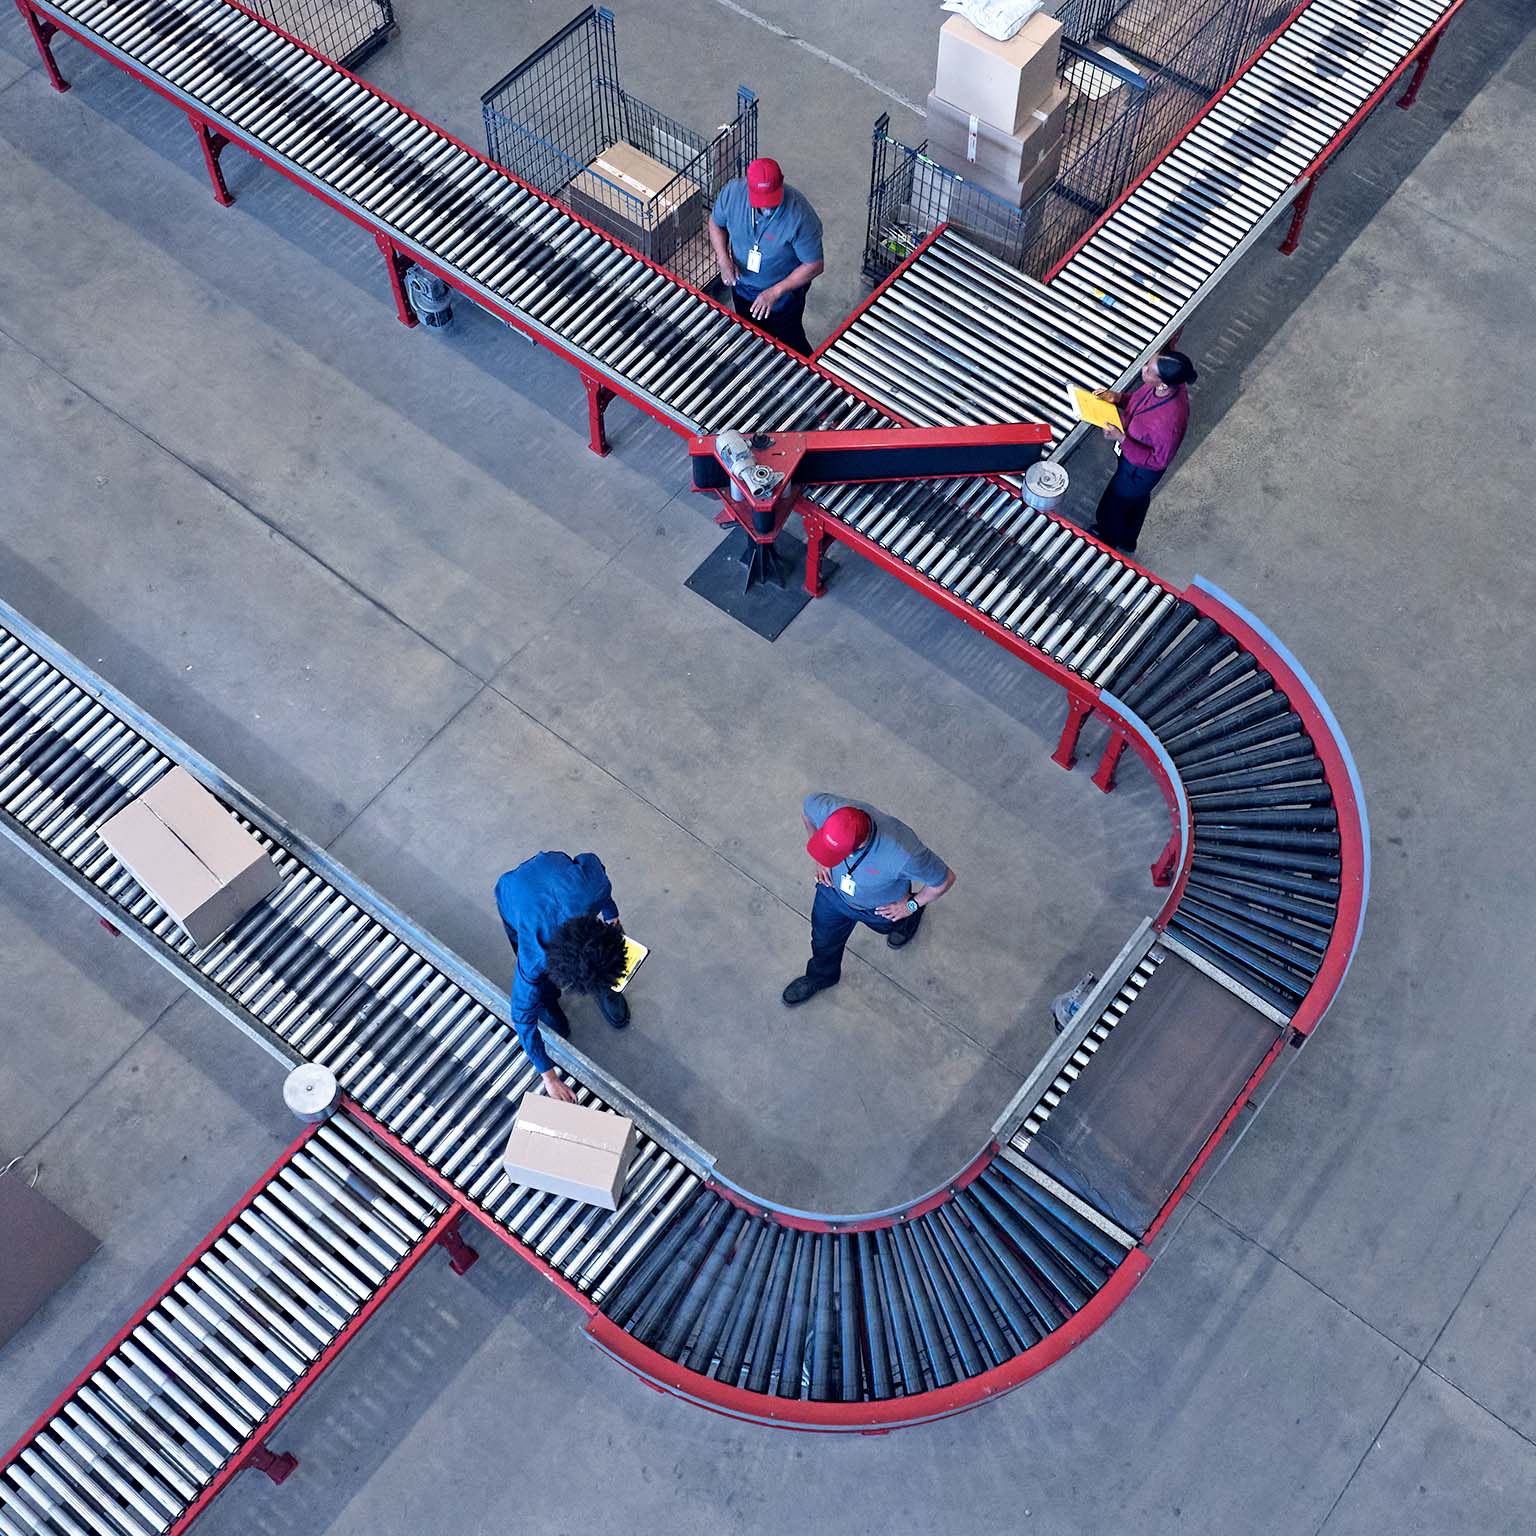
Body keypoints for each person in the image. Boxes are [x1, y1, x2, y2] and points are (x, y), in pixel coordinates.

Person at [783, 795, 956, 1007]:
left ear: (860, 844)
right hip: (832, 894)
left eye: (837, 852)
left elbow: (944, 879)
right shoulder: (829, 810)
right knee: (823, 939)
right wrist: (823, 857)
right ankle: (821, 976)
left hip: (881, 908)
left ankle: (911, 918)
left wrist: (910, 906)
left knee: (897, 921)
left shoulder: (902, 852)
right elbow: (806, 811)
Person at [495, 852, 630, 1102]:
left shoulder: (594, 888)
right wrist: (549, 1077)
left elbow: (591, 862)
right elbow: (522, 1017)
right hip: (512, 893)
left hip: (554, 872)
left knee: (597, 965)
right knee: (539, 989)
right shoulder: (534, 957)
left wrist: (613, 918)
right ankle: (548, 1001)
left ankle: (596, 989)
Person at [708, 157, 825, 356]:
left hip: (783, 301)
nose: (767, 208)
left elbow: (814, 264)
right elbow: (715, 223)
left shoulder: (800, 215)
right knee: (751, 337)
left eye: (772, 199)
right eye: (761, 201)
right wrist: (723, 259)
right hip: (743, 290)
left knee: (791, 342)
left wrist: (775, 292)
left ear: (782, 181)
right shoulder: (732, 195)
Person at [1088, 351, 1199, 554]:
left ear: (1163, 384)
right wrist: (1118, 398)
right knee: (1136, 501)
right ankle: (1128, 540)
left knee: (1109, 509)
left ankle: (1107, 544)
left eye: (1149, 370)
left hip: (1139, 471)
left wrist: (1121, 439)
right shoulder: (1164, 386)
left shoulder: (1170, 422)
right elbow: (1138, 402)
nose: (1143, 369)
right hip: (1133, 463)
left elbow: (1158, 460)